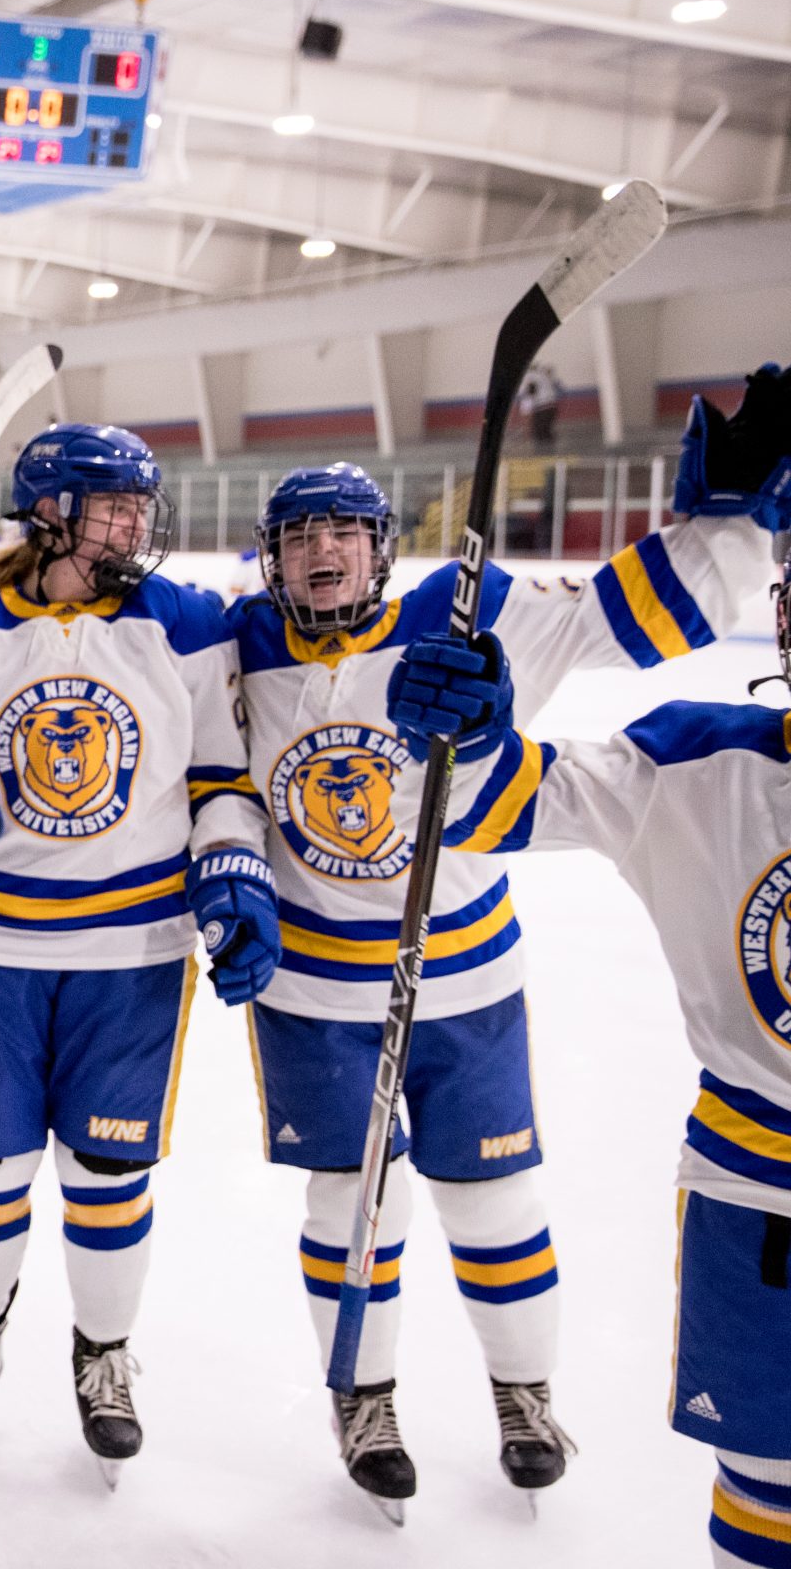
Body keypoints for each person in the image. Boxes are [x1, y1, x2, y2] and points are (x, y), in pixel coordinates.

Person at [227, 449, 765, 1515]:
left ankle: (524, 1395)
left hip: (463, 983)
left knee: (496, 1202)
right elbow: (197, 775)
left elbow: (651, 612)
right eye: (298, 534)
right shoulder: (230, 646)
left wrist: (737, 518)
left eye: (343, 530)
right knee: (351, 1208)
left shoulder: (466, 610)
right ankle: (363, 1398)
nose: (320, 550)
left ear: (381, 548)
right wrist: (230, 868)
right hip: (316, 998)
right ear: (272, 559)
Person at [381, 371, 790, 1569]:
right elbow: (462, 810)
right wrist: (447, 734)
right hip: (759, 1191)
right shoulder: (693, 763)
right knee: (769, 1486)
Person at [0, 423, 278, 1485]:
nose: (136, 526)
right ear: (50, 512)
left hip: (133, 955)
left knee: (106, 1173)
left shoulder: (181, 622)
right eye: (114, 507)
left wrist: (233, 869)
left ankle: (102, 1356)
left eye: (142, 508)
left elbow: (219, 777)